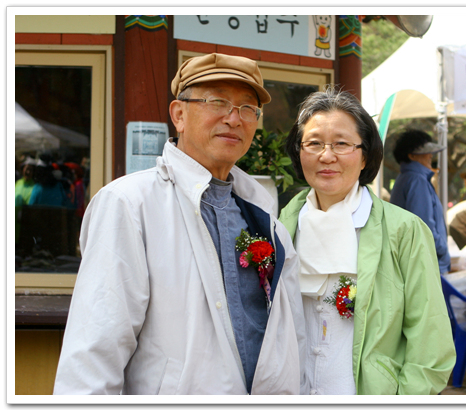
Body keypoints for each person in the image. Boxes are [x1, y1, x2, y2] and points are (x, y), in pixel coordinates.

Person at [54, 53, 307, 395]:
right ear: (179, 115)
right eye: (217, 101)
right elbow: (95, 348)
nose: (234, 119)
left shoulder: (265, 219)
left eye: (248, 109)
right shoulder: (130, 203)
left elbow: (292, 338)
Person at [279, 89, 455, 395]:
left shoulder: (404, 231)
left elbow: (431, 343)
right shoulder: (283, 224)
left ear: (365, 156)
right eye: (314, 143)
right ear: (299, 152)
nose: (326, 155)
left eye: (342, 144)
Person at [389, 129, 451, 274]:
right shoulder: (417, 180)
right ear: (411, 155)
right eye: (425, 151)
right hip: (427, 264)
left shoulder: (406, 178)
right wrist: (442, 249)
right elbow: (424, 228)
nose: (431, 155)